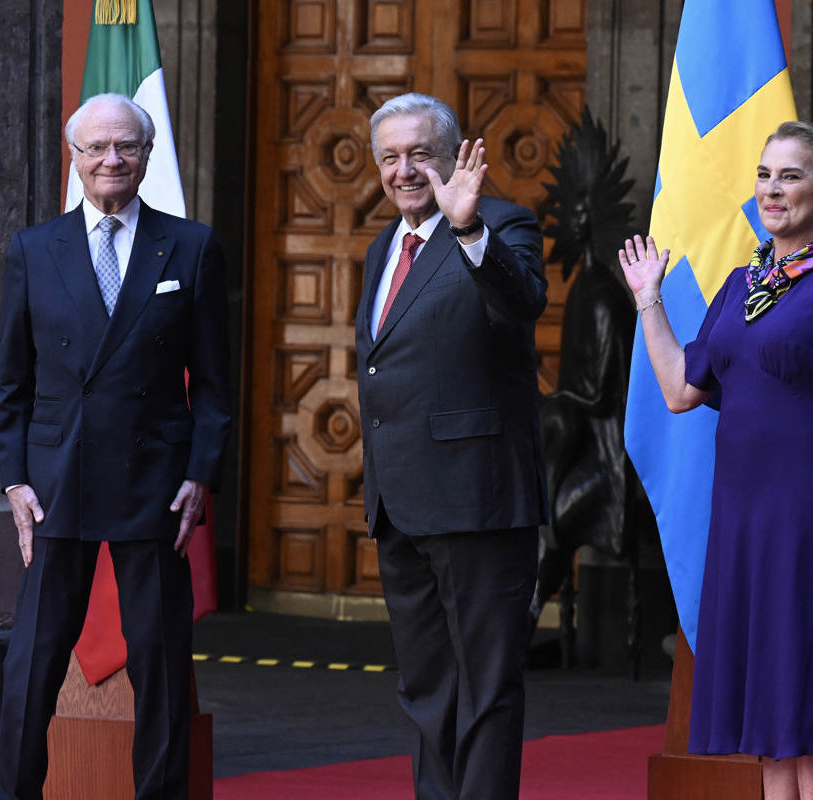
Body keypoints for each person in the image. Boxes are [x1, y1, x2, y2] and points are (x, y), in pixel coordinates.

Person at [618, 120, 813, 800]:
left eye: (791, 176)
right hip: (741, 509)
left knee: (806, 668)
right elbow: (681, 389)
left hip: (806, 505)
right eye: (764, 175)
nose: (772, 190)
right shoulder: (742, 282)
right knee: (766, 680)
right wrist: (647, 299)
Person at [0, 93, 230, 800]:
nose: (111, 160)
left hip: (154, 484)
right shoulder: (35, 248)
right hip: (56, 482)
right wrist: (14, 481)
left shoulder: (189, 245)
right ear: (75, 157)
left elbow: (215, 381)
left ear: (147, 155)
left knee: (160, 666)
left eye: (125, 146)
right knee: (30, 669)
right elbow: (11, 383)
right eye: (95, 148)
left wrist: (201, 474)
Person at [354, 92, 549, 800]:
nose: (405, 170)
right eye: (390, 157)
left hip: (478, 500)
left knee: (487, 689)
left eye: (420, 154)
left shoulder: (502, 224)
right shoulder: (384, 245)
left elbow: (522, 301)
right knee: (427, 687)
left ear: (455, 155)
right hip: (400, 505)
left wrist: (469, 233)